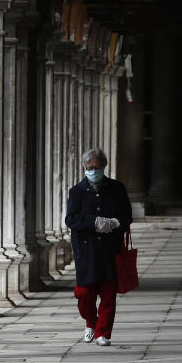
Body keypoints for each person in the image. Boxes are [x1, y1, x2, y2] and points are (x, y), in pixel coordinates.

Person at [65, 148, 132, 347]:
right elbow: (71, 219)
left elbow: (127, 214)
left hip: (111, 249)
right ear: (85, 168)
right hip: (86, 251)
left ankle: (103, 333)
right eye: (90, 168)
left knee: (108, 293)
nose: (94, 171)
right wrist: (93, 223)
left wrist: (114, 223)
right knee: (84, 293)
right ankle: (91, 322)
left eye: (98, 167)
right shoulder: (76, 191)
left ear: (104, 167)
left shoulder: (117, 188)